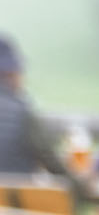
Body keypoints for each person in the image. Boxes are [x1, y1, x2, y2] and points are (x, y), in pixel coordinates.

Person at [0, 36, 72, 183]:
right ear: (12, 74)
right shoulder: (22, 113)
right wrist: (82, 184)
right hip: (15, 203)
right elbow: (51, 161)